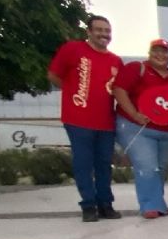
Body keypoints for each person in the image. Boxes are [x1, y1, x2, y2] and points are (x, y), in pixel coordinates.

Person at [47, 15, 123, 222]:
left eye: (107, 31)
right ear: (88, 31)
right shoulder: (73, 49)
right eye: (99, 30)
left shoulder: (115, 61)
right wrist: (72, 92)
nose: (103, 34)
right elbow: (54, 75)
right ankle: (88, 205)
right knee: (83, 163)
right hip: (78, 119)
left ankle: (105, 203)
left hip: (106, 121)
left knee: (104, 164)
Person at [112, 38, 168, 219]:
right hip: (137, 128)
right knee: (147, 166)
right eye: (156, 51)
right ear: (149, 53)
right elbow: (119, 90)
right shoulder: (137, 68)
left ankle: (159, 203)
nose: (161, 55)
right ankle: (149, 205)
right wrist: (134, 114)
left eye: (165, 52)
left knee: (161, 169)